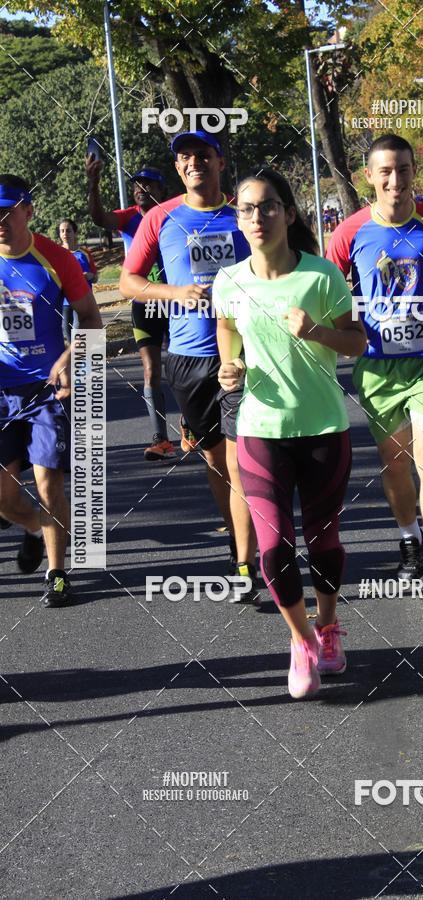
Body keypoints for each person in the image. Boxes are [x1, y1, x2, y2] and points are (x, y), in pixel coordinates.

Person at [214, 168, 366, 699]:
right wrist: (227, 369)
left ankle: (327, 627)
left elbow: (356, 343)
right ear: (238, 218)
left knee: (323, 540)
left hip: (323, 427)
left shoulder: (322, 276)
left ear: (289, 213)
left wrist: (316, 331)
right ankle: (301, 641)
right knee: (274, 546)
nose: (258, 217)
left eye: (269, 206)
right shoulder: (228, 280)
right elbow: (227, 330)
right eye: (248, 208)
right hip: (259, 428)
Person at [327, 135, 423, 595]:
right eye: (386, 172)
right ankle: (408, 538)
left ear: (415, 173)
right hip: (377, 368)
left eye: (405, 170)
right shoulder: (349, 232)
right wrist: (347, 330)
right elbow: (327, 288)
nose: (396, 181)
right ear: (369, 177)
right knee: (394, 462)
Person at [119, 130, 258, 589]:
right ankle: (237, 537)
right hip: (186, 356)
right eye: (185, 157)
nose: (194, 162)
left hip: (240, 352)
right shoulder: (160, 218)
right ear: (178, 168)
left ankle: (245, 558)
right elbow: (129, 281)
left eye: (203, 155)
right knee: (215, 461)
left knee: (241, 461)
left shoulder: (243, 214)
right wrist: (174, 292)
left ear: (219, 162)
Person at [0, 174, 102, 605]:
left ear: (28, 210)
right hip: (3, 389)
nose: (0, 220)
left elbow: (93, 321)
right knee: (3, 496)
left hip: (46, 388)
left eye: (7, 210)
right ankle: (33, 528)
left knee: (48, 482)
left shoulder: (58, 259)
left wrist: (66, 361)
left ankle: (57, 574)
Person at [86, 158, 174, 462]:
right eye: (137, 184)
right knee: (151, 369)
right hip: (143, 304)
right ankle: (160, 439)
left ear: (161, 189)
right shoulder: (128, 218)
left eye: (148, 184)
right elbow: (99, 218)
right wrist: (93, 184)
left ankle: (190, 426)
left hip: (177, 302)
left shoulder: (176, 213)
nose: (141, 189)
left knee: (179, 368)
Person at [57, 218, 98, 343]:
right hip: (64, 301)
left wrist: (89, 276)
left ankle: (83, 358)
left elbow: (96, 277)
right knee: (66, 330)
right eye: (62, 231)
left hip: (83, 299)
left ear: (75, 233)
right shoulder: (56, 253)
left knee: (79, 328)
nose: (65, 234)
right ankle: (75, 357)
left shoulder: (84, 253)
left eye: (68, 231)